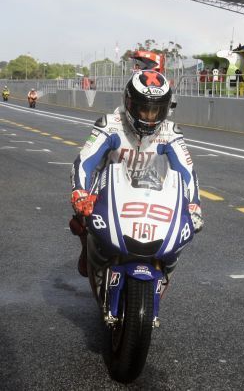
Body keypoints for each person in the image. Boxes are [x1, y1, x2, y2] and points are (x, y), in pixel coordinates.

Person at [70, 70, 204, 277]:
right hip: (107, 190)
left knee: (184, 223)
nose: (149, 117)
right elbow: (85, 161)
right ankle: (88, 248)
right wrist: (80, 192)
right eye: (143, 109)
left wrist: (194, 204)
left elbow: (186, 171)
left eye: (156, 111)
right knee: (79, 219)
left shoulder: (171, 132)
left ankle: (163, 263)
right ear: (129, 103)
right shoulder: (110, 125)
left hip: (150, 191)